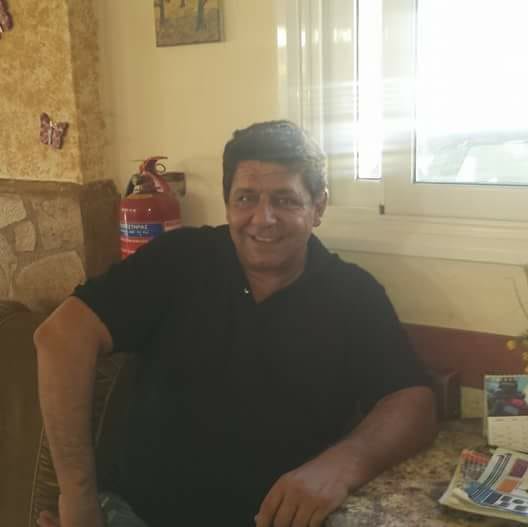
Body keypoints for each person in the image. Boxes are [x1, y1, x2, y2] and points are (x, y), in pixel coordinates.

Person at [35, 120, 437, 527]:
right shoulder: (178, 260)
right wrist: (78, 498)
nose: (263, 218)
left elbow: (413, 401)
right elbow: (60, 337)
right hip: (131, 514)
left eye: (285, 200)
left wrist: (340, 466)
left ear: (318, 207)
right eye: (246, 198)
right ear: (227, 204)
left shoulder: (352, 294)